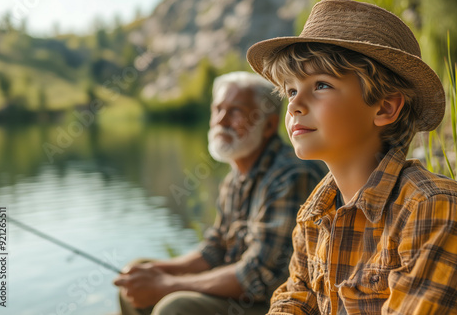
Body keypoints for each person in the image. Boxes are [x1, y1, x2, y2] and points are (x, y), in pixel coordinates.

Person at [246, 0, 457, 314]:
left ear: (385, 107)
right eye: (291, 90)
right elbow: (293, 300)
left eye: (321, 85)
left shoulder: (434, 208)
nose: (295, 105)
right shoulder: (314, 215)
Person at [113, 71, 327, 315]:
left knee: (175, 307)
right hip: (245, 291)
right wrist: (155, 272)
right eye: (218, 109)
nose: (222, 120)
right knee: (137, 270)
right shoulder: (235, 176)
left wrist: (166, 285)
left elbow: (258, 276)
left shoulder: (291, 175)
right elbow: (214, 250)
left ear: (268, 124)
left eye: (236, 111)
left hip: (279, 303)